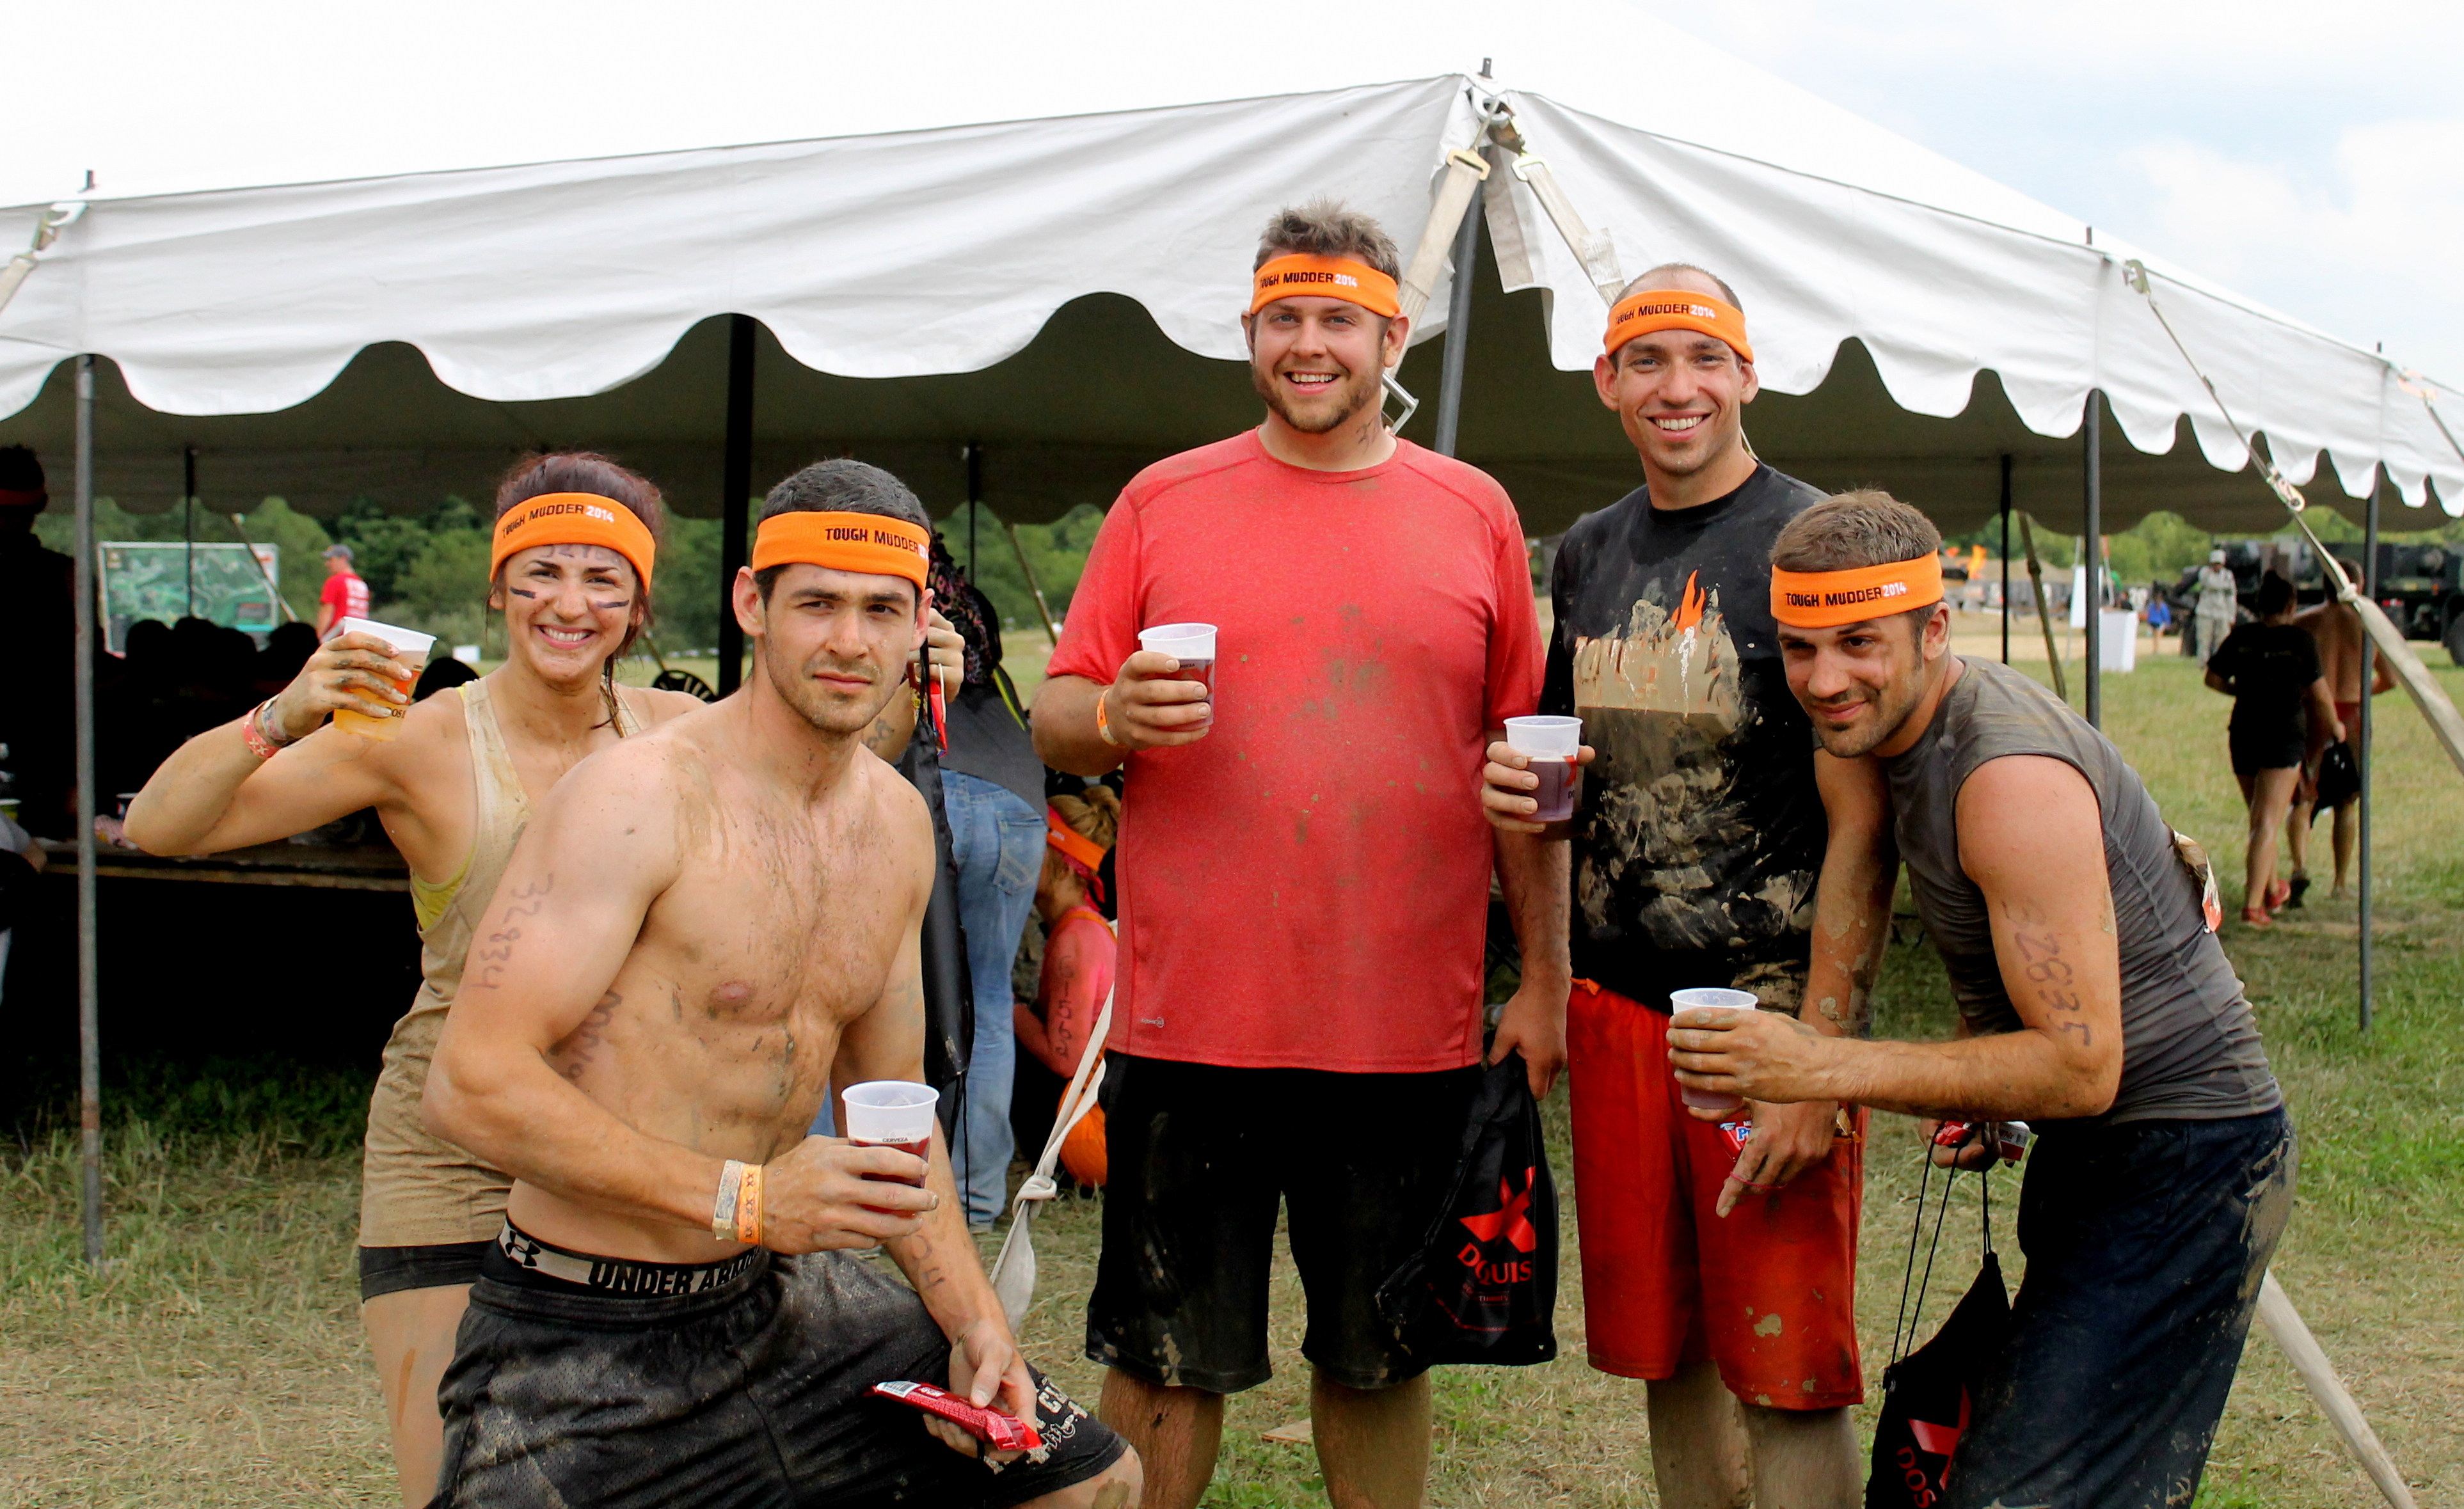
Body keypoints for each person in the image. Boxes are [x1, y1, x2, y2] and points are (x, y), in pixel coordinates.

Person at [421, 459, 1138, 1509]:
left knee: (1090, 1480)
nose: (849, 640)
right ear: (752, 604)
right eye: (816, 603)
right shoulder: (634, 799)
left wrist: (975, 1320)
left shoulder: (893, 825)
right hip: (583, 1328)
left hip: (780, 1302)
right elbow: (469, 1083)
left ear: (921, 626)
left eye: (881, 609)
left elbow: (893, 1111)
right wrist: (747, 1197)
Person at [1030, 200, 1552, 1509]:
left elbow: (1524, 772)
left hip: (1402, 1022)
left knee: (1377, 1356)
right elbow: (1057, 711)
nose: (1306, 344)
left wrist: (1543, 977)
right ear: (1249, 330)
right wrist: (1110, 714)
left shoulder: (1472, 510)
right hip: (1191, 1016)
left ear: (1393, 336)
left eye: (1335, 319)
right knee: (1164, 1360)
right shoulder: (1162, 500)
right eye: (1281, 318)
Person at [1676, 489, 2293, 1509]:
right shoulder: (1878, 729)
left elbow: (2080, 1068)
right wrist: (1948, 1075)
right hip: (2103, 1151)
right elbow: (1868, 865)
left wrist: (1821, 1067)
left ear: (1932, 630)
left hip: (2187, 1154)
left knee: (2020, 1494)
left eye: (1857, 643)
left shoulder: (2006, 778)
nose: (1823, 680)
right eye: (1799, 648)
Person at [122, 453, 706, 1507]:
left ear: (638, 603)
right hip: (447, 1153)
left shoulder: (682, 736)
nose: (569, 604)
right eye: (541, 572)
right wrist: (282, 712)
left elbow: (841, 770)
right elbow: (164, 826)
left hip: (615, 1153)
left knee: (623, 1478)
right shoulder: (416, 740)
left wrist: (917, 674)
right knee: (457, 1481)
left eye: (602, 579)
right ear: (498, 585)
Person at [1479, 265, 1872, 1509]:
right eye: (1645, 359)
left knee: (1787, 1365)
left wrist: (1822, 1053)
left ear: (1747, 373)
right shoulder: (1590, 551)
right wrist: (1545, 978)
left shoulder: (1809, 544)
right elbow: (1563, 782)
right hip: (1617, 1014)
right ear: (1606, 381)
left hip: (1762, 1016)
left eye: (1703, 357)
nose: (1676, 386)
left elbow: (1865, 825)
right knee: (1667, 1351)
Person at [930, 531, 1052, 1228]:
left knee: (881, 999)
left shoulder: (892, 646)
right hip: (1017, 808)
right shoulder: (994, 674)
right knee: (989, 999)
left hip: (933, 797)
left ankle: (863, 1187)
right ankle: (976, 1197)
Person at [2204, 572, 2338, 927]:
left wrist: (2241, 691)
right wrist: (2337, 727)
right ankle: (2253, 906)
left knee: (2261, 818)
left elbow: (2213, 678)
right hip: (2284, 735)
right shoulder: (2301, 642)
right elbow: (2321, 695)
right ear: (2292, 605)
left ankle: (2274, 889)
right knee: (2266, 822)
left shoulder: (2241, 637)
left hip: (2244, 732)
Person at [1011, 786, 1120, 1188]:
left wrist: (1003, 1007)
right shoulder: (1083, 928)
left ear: (1061, 860)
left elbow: (1065, 1060)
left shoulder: (1075, 940)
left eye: (1032, 842)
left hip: (1087, 1145)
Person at [2285, 564, 2394, 902]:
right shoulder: (2368, 626)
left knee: (2303, 796)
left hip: (2312, 712)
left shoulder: (2304, 622)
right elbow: (2390, 679)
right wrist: (2359, 692)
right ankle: (2340, 883)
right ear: (2357, 584)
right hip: (2353, 713)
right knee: (2347, 801)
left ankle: (2300, 866)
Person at [0, 445, 76, 837]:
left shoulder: (66, 574)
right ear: (42, 504)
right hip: (47, 737)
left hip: (44, 740)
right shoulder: (67, 574)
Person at [2193, 547, 2239, 664]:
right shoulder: (2205, 573)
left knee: (2222, 640)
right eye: (2215, 563)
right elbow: (2211, 584)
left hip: (2222, 612)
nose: (2217, 566)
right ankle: (2203, 663)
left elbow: (2231, 597)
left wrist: (2231, 616)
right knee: (2204, 640)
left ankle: (2220, 663)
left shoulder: (2227, 575)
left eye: (2219, 564)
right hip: (2206, 612)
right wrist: (2224, 586)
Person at [317, 541, 372, 638]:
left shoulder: (335, 581)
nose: (327, 564)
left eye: (331, 560)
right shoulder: (362, 584)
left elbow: (327, 612)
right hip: (357, 638)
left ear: (343, 559)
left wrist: (317, 637)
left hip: (336, 639)